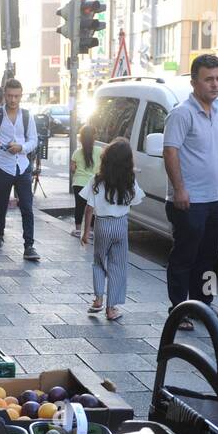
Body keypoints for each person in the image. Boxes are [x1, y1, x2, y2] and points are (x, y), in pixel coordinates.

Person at [162, 54, 218, 329]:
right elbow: (170, 151)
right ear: (194, 82)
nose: (215, 85)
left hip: (213, 199)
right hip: (189, 201)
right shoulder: (182, 113)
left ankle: (205, 305)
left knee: (209, 258)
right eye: (209, 79)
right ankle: (179, 310)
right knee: (184, 257)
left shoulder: (215, 112)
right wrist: (180, 189)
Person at [0, 78, 40, 261]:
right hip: (2, 165)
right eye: (10, 96)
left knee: (27, 206)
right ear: (5, 95)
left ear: (21, 96)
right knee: (0, 204)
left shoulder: (27, 116)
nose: (13, 100)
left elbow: (33, 140)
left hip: (22, 166)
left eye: (17, 96)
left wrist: (21, 147)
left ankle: (29, 245)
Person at [81, 138, 143, 322]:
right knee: (118, 267)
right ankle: (111, 309)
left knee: (99, 262)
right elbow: (136, 200)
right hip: (121, 225)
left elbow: (89, 208)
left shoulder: (97, 180)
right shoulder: (130, 180)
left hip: (102, 225)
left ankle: (98, 298)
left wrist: (85, 232)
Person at [70, 123, 102, 240]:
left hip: (79, 183)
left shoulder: (76, 152)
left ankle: (78, 230)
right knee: (92, 207)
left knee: (79, 206)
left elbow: (73, 169)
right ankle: (91, 231)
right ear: (94, 137)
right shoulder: (100, 151)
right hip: (94, 183)